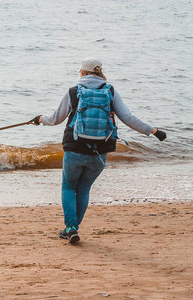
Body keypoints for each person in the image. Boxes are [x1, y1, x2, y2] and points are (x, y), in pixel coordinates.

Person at [32, 58, 167, 244]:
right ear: (100, 72)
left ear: (82, 72)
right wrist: (153, 131)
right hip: (99, 151)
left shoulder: (74, 91)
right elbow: (128, 117)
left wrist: (40, 119)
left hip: (75, 148)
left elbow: (56, 118)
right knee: (84, 189)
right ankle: (72, 228)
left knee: (69, 187)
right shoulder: (110, 91)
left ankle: (71, 228)